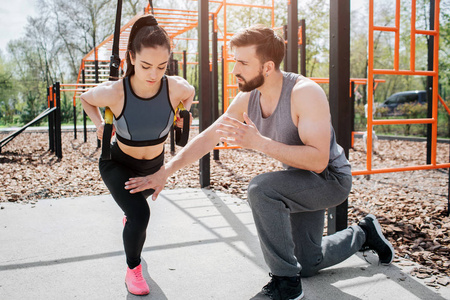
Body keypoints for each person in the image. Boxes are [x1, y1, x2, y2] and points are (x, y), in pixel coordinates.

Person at [124, 25, 394, 300]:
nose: (234, 70)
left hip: (330, 180)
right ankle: (364, 233)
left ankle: (285, 283)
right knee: (309, 263)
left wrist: (258, 142)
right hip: (299, 178)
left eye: (242, 63)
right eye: (234, 61)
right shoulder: (247, 97)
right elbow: (210, 136)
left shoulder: (305, 93)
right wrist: (165, 171)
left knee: (260, 189)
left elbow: (318, 160)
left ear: (267, 67)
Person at [80, 15, 195, 296]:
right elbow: (85, 98)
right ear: (131, 57)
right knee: (140, 214)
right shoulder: (115, 92)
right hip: (117, 163)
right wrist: (99, 125)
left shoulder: (176, 87)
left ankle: (129, 217)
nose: (154, 74)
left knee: (133, 212)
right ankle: (133, 270)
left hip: (153, 168)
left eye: (161, 66)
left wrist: (181, 115)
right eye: (145, 65)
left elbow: (189, 93)